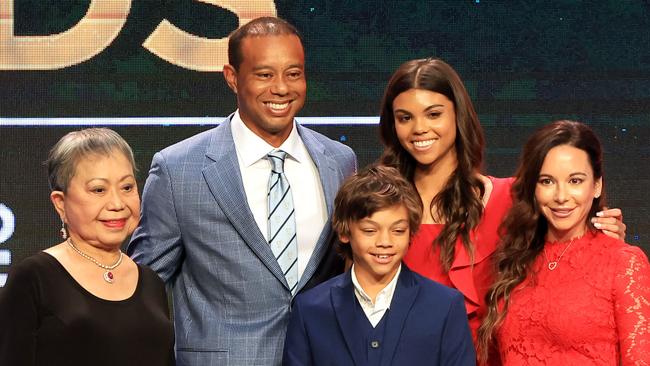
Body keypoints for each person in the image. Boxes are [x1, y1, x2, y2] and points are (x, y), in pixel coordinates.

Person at [127, 17, 357, 366]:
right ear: (232, 77)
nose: (281, 88)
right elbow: (144, 289)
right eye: (264, 75)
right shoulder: (178, 169)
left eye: (293, 73)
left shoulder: (339, 162)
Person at [378, 58, 626, 344]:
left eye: (434, 114)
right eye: (405, 118)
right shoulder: (380, 207)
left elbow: (568, 257)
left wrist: (602, 237)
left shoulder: (510, 199)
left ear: (458, 115)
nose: (419, 128)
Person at [477, 120, 650, 364]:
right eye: (547, 181)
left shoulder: (624, 263)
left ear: (597, 185)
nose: (561, 196)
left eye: (575, 181)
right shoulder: (515, 259)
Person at [0, 128, 174, 366]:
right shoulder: (33, 278)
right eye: (98, 190)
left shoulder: (151, 281)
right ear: (60, 203)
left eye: (127, 187)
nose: (117, 203)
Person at [283, 165, 475, 366]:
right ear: (345, 232)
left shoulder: (444, 306)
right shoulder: (310, 309)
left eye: (398, 230)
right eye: (370, 230)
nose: (385, 241)